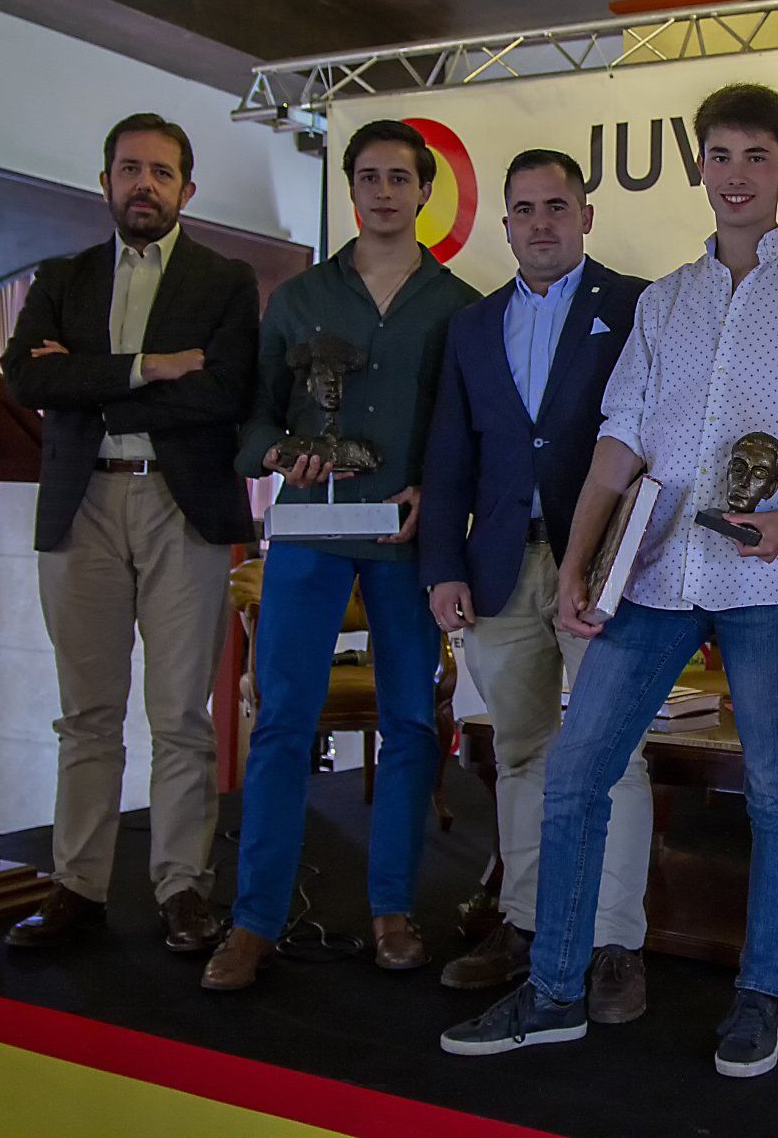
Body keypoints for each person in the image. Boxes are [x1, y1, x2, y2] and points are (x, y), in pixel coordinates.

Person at [440, 83, 778, 1077]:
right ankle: (555, 991)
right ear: (700, 167)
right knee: (575, 772)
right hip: (652, 573)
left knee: (777, 792)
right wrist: (577, 565)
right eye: (720, 155)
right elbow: (620, 442)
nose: (736, 175)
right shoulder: (665, 300)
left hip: (769, 578)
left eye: (755, 156)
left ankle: (759, 998)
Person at [202, 119, 479, 990]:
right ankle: (254, 921)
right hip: (308, 537)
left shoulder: (461, 306)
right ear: (349, 188)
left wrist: (437, 494)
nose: (383, 192)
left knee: (409, 723)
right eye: (368, 177)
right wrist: (281, 454)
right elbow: (252, 419)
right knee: (282, 722)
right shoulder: (297, 298)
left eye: (400, 177)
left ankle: (392, 909)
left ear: (426, 191)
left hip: (404, 541)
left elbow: (470, 430)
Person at [0, 112, 258, 954]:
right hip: (82, 504)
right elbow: (25, 379)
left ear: (187, 188)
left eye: (161, 172)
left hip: (181, 505)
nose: (144, 184)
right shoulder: (63, 277)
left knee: (180, 714)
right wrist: (149, 368)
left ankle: (183, 888)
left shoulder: (224, 280)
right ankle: (77, 885)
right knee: (87, 714)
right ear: (105, 181)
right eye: (129, 169)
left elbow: (224, 394)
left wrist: (90, 386)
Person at [419, 148, 650, 1019]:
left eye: (558, 206)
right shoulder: (472, 326)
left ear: (586, 215)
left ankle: (615, 944)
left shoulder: (638, 306)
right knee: (520, 752)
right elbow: (449, 455)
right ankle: (521, 922)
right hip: (498, 568)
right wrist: (442, 564)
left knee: (614, 755)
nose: (541, 223)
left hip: (604, 569)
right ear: (505, 223)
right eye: (525, 209)